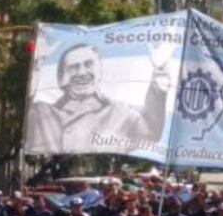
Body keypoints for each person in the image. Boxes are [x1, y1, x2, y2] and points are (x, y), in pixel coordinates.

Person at [24, 43, 169, 153]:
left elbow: (150, 133)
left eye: (88, 65)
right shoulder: (42, 113)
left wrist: (159, 73)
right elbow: (23, 114)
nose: (81, 73)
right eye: (73, 67)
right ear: (61, 77)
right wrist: (36, 67)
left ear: (99, 71)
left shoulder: (119, 112)